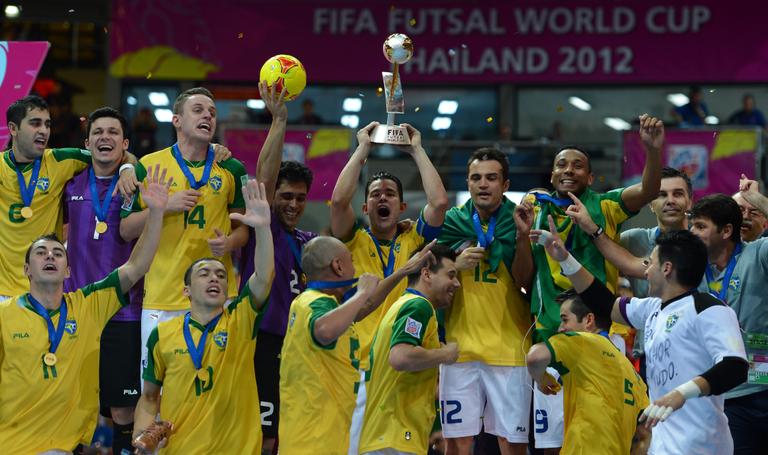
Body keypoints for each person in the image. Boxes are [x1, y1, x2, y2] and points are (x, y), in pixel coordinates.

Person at [533, 216, 749, 455]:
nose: (646, 270)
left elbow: (735, 367)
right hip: (662, 445)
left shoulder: (710, 309)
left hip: (702, 446)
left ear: (667, 268)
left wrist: (681, 393)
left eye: (651, 263)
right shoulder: (653, 308)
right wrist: (565, 259)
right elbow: (605, 304)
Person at [0, 166, 169, 453]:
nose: (50, 256)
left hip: (66, 446)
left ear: (68, 271)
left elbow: (136, 267)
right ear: (27, 270)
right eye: (41, 253)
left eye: (57, 253)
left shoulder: (89, 304)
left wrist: (155, 213)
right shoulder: (5, 316)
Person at [133, 178, 275, 454]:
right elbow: (149, 398)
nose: (215, 278)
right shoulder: (161, 334)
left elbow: (263, 278)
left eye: (221, 274)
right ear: (186, 291)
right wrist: (141, 436)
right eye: (204, 273)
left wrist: (263, 229)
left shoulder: (240, 319)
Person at [120, 87, 249, 378]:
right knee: (157, 394)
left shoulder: (231, 167)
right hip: (162, 299)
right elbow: (126, 230)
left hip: (217, 298)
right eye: (199, 110)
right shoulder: (147, 166)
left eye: (213, 113)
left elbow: (243, 232)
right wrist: (163, 208)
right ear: (176, 120)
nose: (208, 116)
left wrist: (228, 243)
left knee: (217, 389)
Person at [278, 236, 435, 455]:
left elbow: (364, 307)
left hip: (323, 434)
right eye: (351, 260)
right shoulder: (314, 303)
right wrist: (361, 292)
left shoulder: (318, 303)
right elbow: (324, 330)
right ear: (338, 266)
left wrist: (403, 271)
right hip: (314, 439)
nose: (356, 268)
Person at [437, 148, 535, 455]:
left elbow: (524, 281)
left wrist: (522, 237)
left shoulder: (518, 219)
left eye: (491, 178)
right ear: (467, 182)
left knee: (512, 444)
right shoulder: (452, 221)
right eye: (476, 178)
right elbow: (430, 278)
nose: (483, 184)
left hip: (509, 349)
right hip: (459, 350)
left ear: (505, 184)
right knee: (456, 443)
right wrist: (454, 263)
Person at [330, 121, 448, 368]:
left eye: (390, 194)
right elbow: (340, 201)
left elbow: (438, 203)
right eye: (375, 194)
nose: (382, 197)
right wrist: (363, 148)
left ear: (402, 207)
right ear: (365, 208)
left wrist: (417, 149)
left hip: (405, 356)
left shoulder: (415, 238)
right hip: (359, 363)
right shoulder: (352, 239)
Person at [238, 82, 317, 451]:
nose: (293, 204)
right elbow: (265, 183)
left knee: (291, 437)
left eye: (300, 198)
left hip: (300, 349)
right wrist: (279, 120)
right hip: (262, 346)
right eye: (286, 196)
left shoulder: (309, 243)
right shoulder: (262, 228)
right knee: (264, 440)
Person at [61, 107, 143, 454]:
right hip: (76, 308)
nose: (104, 138)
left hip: (123, 311)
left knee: (123, 408)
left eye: (113, 132)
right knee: (76, 402)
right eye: (98, 132)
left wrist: (130, 167)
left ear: (124, 144)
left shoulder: (137, 184)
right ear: (87, 142)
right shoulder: (71, 181)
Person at [357, 244, 461, 455]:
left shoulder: (402, 305)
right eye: (451, 275)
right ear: (426, 274)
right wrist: (445, 354)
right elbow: (400, 357)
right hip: (395, 437)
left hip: (384, 436)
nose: (457, 283)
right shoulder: (418, 306)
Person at [689, 187, 768, 454]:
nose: (693, 232)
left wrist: (756, 200)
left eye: (700, 226)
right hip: (725, 395)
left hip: (765, 386)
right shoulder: (692, 270)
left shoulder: (758, 253)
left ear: (725, 231)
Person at [526, 289, 649, 455]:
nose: (561, 328)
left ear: (589, 320)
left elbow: (534, 357)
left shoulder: (582, 342)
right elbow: (646, 430)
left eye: (565, 319)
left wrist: (541, 379)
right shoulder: (632, 373)